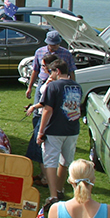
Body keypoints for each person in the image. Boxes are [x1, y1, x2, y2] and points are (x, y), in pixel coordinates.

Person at [37, 58, 83, 200]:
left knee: (51, 161)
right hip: (72, 129)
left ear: (57, 71)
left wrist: (40, 131)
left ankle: (52, 195)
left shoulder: (53, 86)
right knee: (65, 162)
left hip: (54, 130)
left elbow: (47, 110)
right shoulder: (77, 86)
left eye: (52, 71)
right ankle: (59, 189)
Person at [26, 30, 77, 101]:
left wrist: (72, 86)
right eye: (53, 44)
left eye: (57, 44)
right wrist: (29, 87)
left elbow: (71, 71)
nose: (55, 46)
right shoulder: (39, 52)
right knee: (38, 104)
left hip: (59, 83)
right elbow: (35, 70)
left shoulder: (66, 54)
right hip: (43, 82)